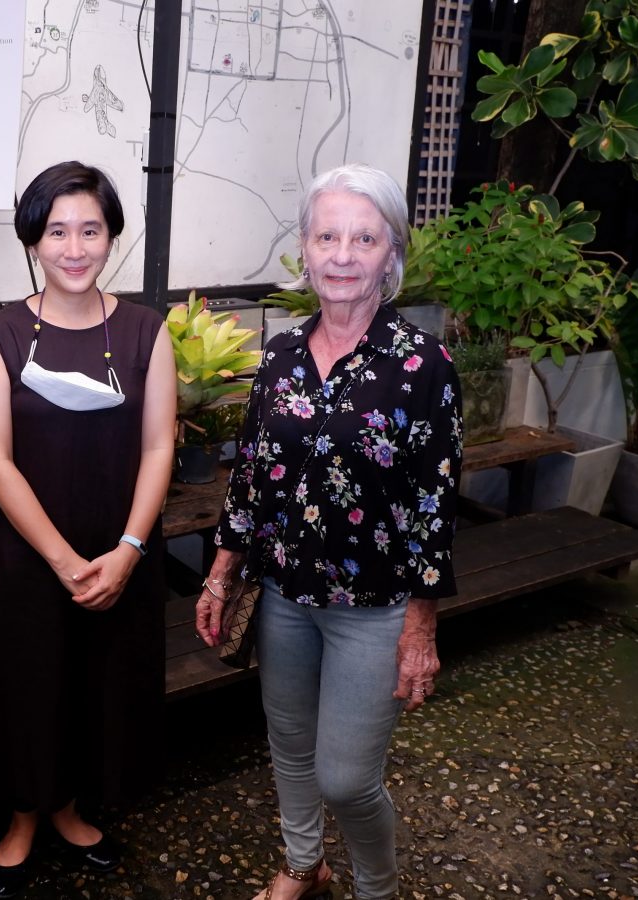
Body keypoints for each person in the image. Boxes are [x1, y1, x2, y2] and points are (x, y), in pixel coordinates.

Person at [195, 163, 462, 900]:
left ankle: (376, 887)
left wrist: (421, 627)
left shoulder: (423, 364)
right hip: (283, 596)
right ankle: (302, 864)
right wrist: (220, 573)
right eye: (327, 237)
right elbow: (250, 473)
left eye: (364, 239)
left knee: (346, 779)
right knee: (288, 747)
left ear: (391, 253)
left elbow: (436, 504)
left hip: (374, 610)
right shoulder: (280, 353)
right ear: (306, 251)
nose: (343, 255)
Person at [0, 161, 176, 898]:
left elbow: (160, 446)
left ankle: (71, 808)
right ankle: (22, 815)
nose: (74, 248)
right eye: (57, 231)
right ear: (33, 239)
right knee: (26, 678)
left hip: (117, 544)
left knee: (95, 679)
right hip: (25, 551)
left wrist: (128, 551)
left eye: (90, 230)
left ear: (111, 236)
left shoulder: (146, 330)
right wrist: (62, 561)